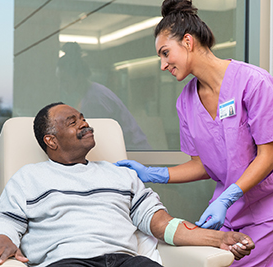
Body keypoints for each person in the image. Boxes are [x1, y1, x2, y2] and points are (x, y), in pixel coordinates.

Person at [0, 102, 254, 267]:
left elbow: (160, 223)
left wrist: (219, 238)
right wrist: (3, 239)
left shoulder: (120, 176)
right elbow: (4, 218)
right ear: (51, 141)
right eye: (72, 122)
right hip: (68, 261)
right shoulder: (29, 178)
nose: (85, 123)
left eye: (83, 118)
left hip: (125, 261)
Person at [115, 0, 273, 266]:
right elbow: (201, 165)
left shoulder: (254, 83)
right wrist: (154, 174)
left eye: (165, 53)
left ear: (188, 41)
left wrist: (228, 196)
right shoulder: (186, 102)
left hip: (265, 207)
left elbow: (268, 156)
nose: (163, 65)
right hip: (227, 212)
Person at [57, 42, 151, 150]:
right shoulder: (91, 93)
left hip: (135, 154)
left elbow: (96, 140)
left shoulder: (95, 100)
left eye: (64, 80)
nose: (61, 85)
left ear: (79, 76)